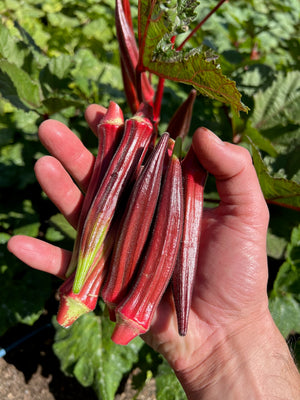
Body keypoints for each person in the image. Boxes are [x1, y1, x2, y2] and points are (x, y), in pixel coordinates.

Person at [7, 104, 300, 399]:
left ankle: (92, 290)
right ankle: (90, 290)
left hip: (142, 249)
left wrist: (233, 335)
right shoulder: (174, 180)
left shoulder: (175, 179)